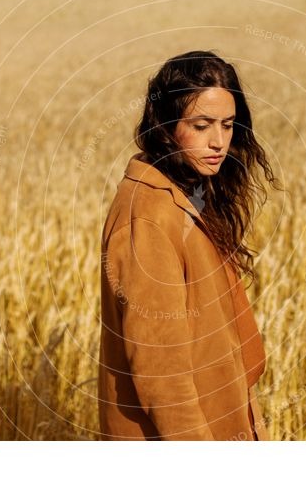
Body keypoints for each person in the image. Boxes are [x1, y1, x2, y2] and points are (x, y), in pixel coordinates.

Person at [98, 50, 281, 440]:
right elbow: (159, 367)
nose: (218, 142)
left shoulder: (187, 194)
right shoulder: (149, 215)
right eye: (201, 126)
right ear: (165, 124)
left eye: (228, 126)